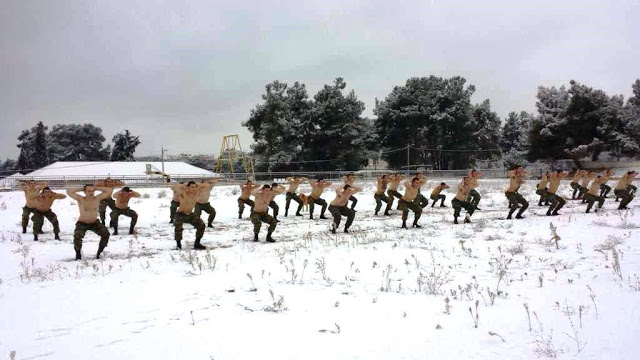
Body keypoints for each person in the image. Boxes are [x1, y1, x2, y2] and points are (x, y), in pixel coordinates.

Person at [67, 184, 112, 260]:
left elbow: (109, 190)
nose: (91, 193)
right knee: (77, 237)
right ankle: (78, 255)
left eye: (92, 191)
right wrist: (82, 188)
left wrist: (96, 188)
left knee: (106, 234)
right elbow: (69, 192)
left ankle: (99, 253)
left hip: (94, 222)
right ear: (85, 192)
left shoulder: (97, 198)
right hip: (82, 223)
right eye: (89, 191)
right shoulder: (80, 199)